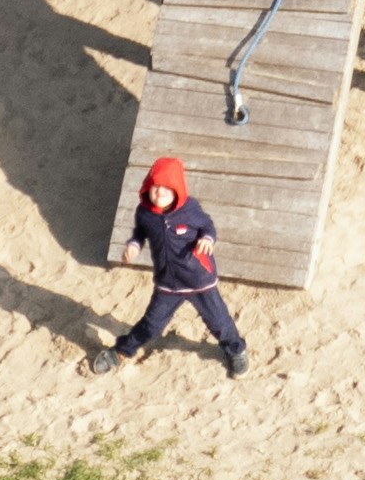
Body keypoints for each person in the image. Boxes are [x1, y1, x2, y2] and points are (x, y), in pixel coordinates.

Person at [85, 153, 246, 377]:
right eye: (155, 187)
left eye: (166, 188)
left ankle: (236, 351)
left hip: (199, 279)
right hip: (168, 283)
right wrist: (133, 245)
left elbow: (207, 225)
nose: (159, 192)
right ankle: (121, 352)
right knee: (151, 325)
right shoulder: (145, 213)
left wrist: (207, 239)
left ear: (177, 190)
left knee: (219, 321)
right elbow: (140, 233)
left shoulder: (189, 209)